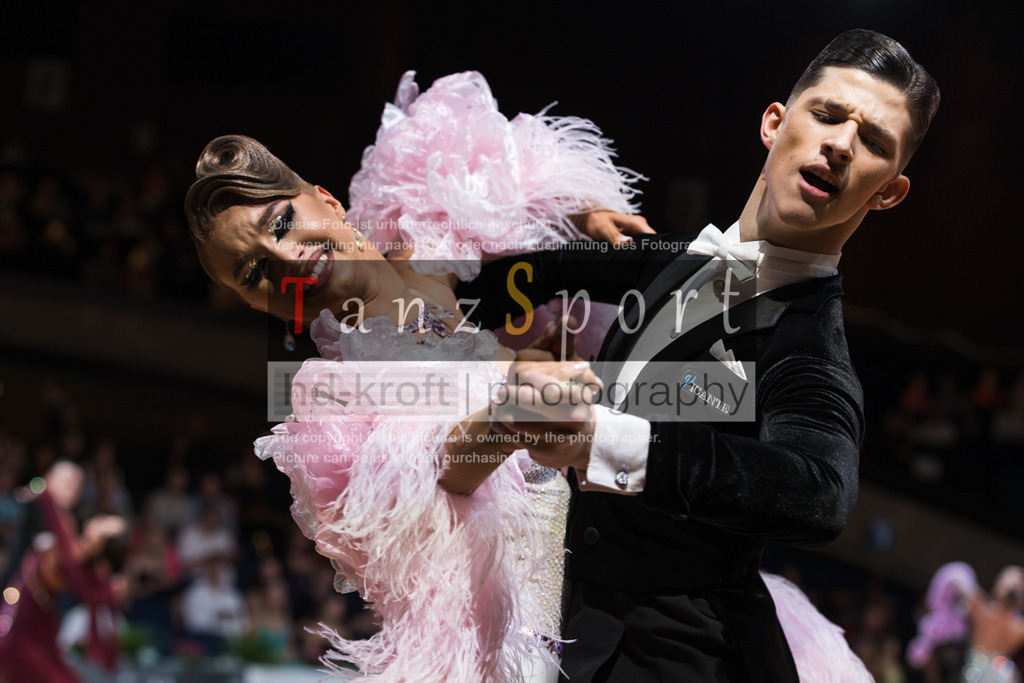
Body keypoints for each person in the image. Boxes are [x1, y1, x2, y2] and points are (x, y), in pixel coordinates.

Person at [470, 28, 940, 681]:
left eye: (874, 143)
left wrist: (599, 438)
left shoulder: (809, 342)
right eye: (828, 114)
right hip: (564, 631)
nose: (840, 144)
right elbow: (507, 280)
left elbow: (820, 491)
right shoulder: (673, 256)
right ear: (775, 124)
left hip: (680, 658)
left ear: (888, 191)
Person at [185, 70, 650, 682]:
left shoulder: (423, 243)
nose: (285, 257)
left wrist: (585, 214)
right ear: (255, 304)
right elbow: (439, 475)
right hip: (515, 655)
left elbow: (490, 160)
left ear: (326, 200)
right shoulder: (331, 405)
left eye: (280, 223)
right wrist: (511, 412)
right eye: (253, 273)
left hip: (623, 600)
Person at [0, 486, 127, 682]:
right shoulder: (82, 560)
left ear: (101, 542)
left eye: (105, 524)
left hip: (28, 615)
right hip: (36, 615)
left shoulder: (75, 557)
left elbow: (52, 511)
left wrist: (45, 489)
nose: (99, 520)